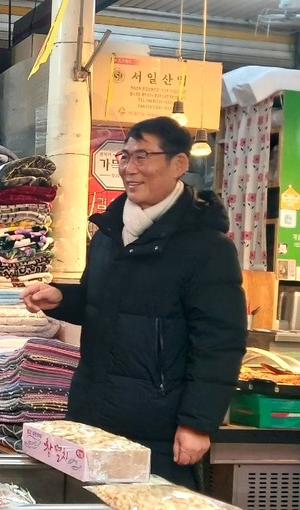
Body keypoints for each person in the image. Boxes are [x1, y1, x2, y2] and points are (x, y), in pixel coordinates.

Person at [20, 116, 247, 490]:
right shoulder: (110, 232)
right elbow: (103, 303)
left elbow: (220, 342)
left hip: (157, 426)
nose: (129, 168)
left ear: (178, 164)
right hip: (92, 411)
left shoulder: (206, 247)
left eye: (143, 156)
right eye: (124, 156)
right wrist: (62, 297)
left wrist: (197, 423)